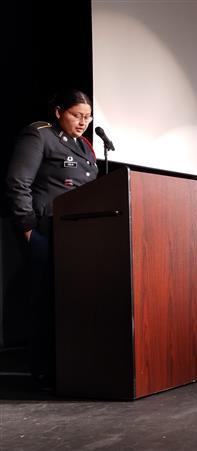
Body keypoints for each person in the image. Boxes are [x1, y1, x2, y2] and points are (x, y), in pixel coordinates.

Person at [5, 88, 99, 387]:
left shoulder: (85, 146)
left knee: (72, 298)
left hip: (77, 234)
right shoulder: (39, 135)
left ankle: (70, 363)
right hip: (45, 229)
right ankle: (43, 367)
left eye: (87, 116)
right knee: (45, 298)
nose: (83, 122)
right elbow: (18, 182)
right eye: (76, 115)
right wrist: (27, 226)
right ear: (59, 112)